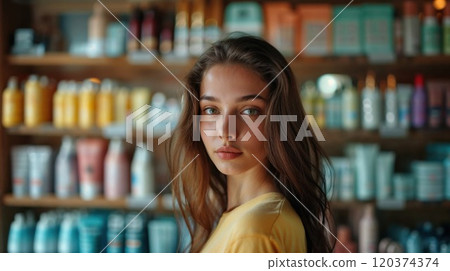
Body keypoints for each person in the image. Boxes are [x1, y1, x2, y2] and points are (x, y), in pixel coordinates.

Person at [167, 35, 334, 253]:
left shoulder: (254, 230)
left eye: (249, 111)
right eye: (211, 110)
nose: (225, 131)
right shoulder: (245, 217)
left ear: (279, 121)